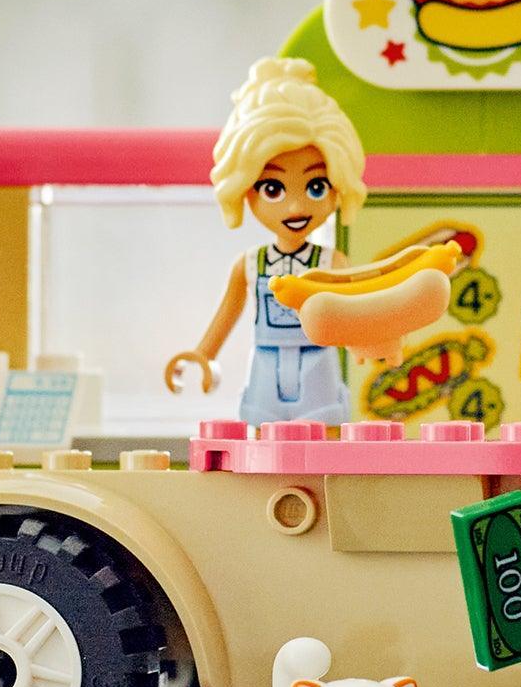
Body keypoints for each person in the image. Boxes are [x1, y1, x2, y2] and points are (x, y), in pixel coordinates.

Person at [165, 57, 456, 426]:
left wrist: (375, 339)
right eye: (273, 189)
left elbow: (358, 309)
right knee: (263, 438)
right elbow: (229, 312)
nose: (295, 206)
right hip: (265, 364)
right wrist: (204, 353)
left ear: (337, 187)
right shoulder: (250, 264)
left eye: (316, 186)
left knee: (323, 431)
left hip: (318, 363)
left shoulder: (332, 263)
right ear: (244, 190)